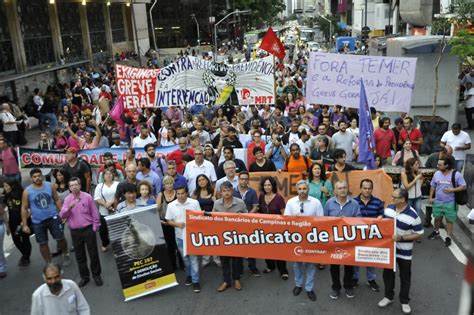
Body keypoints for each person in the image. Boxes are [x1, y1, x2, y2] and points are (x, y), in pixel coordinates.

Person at [378, 188, 423, 314]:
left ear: (403, 199)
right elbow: (383, 221)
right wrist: (380, 218)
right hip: (389, 251)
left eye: (394, 197)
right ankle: (388, 296)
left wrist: (401, 238)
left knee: (405, 277)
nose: (392, 198)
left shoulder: (413, 215)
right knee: (388, 275)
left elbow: (419, 234)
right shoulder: (389, 208)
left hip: (405, 253)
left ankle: (404, 301)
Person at [21, 169, 71, 266]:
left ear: (42, 176)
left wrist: (62, 213)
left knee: (60, 238)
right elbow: (24, 208)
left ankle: (66, 254)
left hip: (53, 218)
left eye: (39, 176)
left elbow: (56, 199)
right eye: (35, 177)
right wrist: (25, 224)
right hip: (38, 222)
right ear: (31, 179)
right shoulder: (27, 191)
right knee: (43, 243)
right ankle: (49, 263)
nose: (37, 178)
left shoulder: (49, 185)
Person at [284, 180, 324, 301]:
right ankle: (298, 285)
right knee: (297, 264)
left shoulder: (316, 202)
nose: (302, 191)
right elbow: (286, 220)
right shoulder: (291, 202)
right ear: (297, 190)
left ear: (308, 189)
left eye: (304, 189)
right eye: (300, 189)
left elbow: (321, 221)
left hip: (311, 238)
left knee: (311, 264)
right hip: (296, 238)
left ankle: (309, 288)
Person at [60, 178, 102, 287]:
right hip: (75, 231)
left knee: (93, 254)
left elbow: (94, 212)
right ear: (69, 188)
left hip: (88, 229)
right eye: (72, 185)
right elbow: (62, 215)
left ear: (80, 185)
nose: (74, 187)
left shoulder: (87, 197)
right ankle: (84, 277)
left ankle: (96, 275)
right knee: (80, 256)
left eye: (76, 184)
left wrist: (95, 226)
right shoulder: (68, 199)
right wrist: (68, 208)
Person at [324, 180, 361, 299]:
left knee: (349, 265)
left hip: (349, 240)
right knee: (334, 266)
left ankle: (348, 286)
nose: (342, 190)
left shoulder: (354, 204)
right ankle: (336, 288)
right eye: (339, 188)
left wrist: (348, 220)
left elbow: (359, 220)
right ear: (335, 191)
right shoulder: (329, 203)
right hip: (333, 240)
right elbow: (323, 221)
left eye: (344, 187)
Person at [165, 186, 202, 293]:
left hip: (192, 236)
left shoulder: (194, 203)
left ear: (187, 193)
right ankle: (189, 275)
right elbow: (168, 220)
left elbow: (199, 217)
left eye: (182, 193)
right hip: (180, 237)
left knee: (194, 259)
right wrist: (177, 224)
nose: (180, 196)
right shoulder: (171, 205)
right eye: (178, 194)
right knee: (185, 259)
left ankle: (196, 281)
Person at [213, 181, 248, 292]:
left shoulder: (240, 203)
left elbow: (248, 218)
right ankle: (226, 281)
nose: (226, 193)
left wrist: (241, 216)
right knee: (224, 260)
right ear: (221, 192)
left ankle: (236, 279)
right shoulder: (217, 204)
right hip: (222, 237)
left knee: (237, 259)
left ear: (232, 191)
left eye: (228, 190)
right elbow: (212, 219)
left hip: (237, 236)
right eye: (224, 191)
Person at [353, 179, 385, 291]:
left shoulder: (378, 202)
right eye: (365, 188)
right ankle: (354, 278)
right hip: (356, 235)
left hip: (372, 236)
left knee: (371, 258)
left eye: (369, 188)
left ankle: (371, 279)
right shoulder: (353, 202)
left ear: (372, 189)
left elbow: (383, 217)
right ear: (360, 188)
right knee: (355, 257)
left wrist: (381, 218)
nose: (367, 190)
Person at [428, 158, 467, 247]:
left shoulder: (456, 174)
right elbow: (432, 186)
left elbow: (463, 186)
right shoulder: (437, 174)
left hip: (450, 203)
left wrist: (452, 189)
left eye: (440, 165)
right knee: (437, 218)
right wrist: (430, 197)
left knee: (449, 220)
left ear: (447, 165)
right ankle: (436, 231)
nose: (438, 166)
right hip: (437, 202)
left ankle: (448, 236)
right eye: (438, 164)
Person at [258, 176, 288, 279]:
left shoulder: (279, 198)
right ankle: (270, 266)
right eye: (265, 185)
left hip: (277, 229)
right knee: (267, 249)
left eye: (269, 185)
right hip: (265, 229)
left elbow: (284, 214)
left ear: (273, 186)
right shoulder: (261, 196)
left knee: (279, 251)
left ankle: (283, 271)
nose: (267, 187)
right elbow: (260, 211)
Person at [233, 171, 260, 276]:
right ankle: (239, 268)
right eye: (242, 179)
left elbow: (256, 206)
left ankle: (252, 267)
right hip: (235, 223)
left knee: (251, 245)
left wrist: (247, 216)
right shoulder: (233, 191)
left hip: (249, 222)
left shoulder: (252, 192)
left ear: (248, 180)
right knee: (238, 246)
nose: (244, 181)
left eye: (246, 179)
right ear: (238, 180)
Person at [3, 179, 31, 268]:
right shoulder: (6, 196)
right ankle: (24, 254)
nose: (5, 188)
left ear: (12, 186)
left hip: (23, 220)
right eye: (4, 186)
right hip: (13, 222)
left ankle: (26, 257)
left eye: (6, 186)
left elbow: (29, 209)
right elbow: (3, 210)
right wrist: (7, 225)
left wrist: (24, 221)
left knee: (25, 239)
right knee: (16, 240)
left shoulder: (21, 195)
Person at [157, 176, 182, 271]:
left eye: (171, 183)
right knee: (170, 245)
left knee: (179, 244)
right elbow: (157, 210)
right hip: (165, 223)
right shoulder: (160, 195)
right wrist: (161, 221)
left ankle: (182, 264)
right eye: (167, 183)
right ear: (164, 185)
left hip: (177, 222)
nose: (169, 185)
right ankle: (173, 265)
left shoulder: (177, 194)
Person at [94, 169, 118, 252]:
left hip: (116, 210)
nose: (108, 175)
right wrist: (106, 205)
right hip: (103, 211)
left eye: (110, 173)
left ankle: (117, 244)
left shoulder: (117, 184)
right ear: (103, 176)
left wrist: (111, 203)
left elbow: (118, 195)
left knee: (115, 228)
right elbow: (97, 198)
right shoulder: (99, 186)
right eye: (106, 174)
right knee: (103, 230)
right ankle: (105, 243)